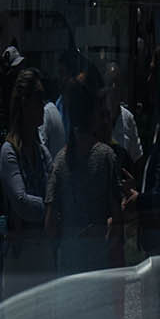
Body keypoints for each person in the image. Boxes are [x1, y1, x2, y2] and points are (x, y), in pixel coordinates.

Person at [47, 78, 127, 275]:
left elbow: (49, 224)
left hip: (68, 268)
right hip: (97, 269)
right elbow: (117, 220)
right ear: (93, 116)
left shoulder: (59, 162)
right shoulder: (106, 157)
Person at [0, 68, 52, 301]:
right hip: (21, 260)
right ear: (25, 103)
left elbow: (54, 189)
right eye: (38, 98)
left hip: (42, 255)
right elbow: (21, 201)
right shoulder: (9, 151)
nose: (43, 105)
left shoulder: (41, 152)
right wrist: (50, 208)